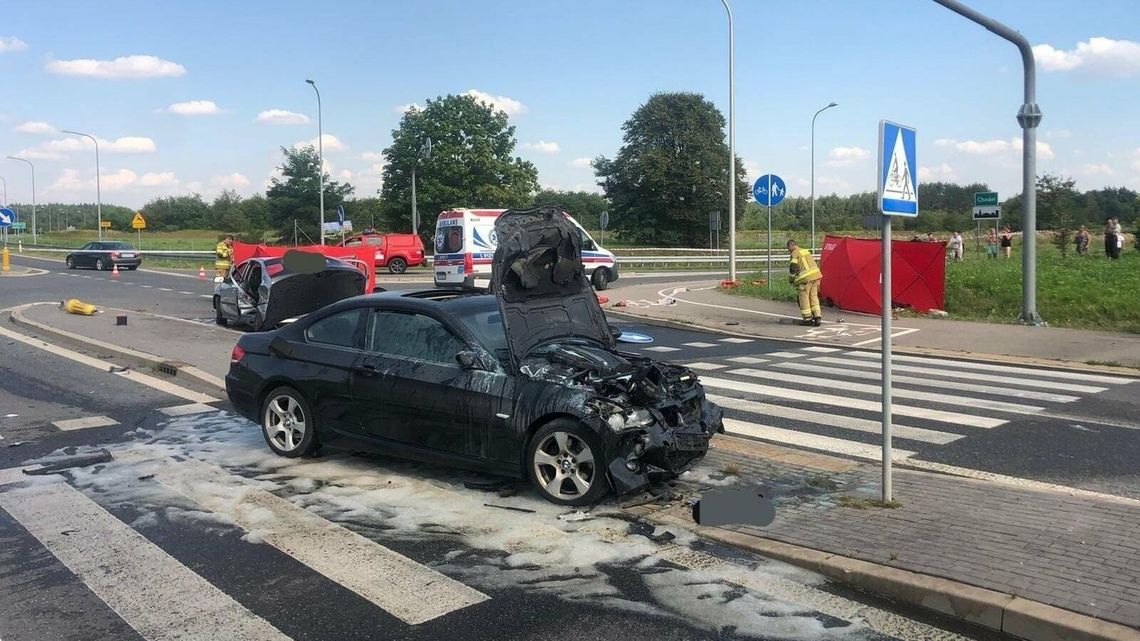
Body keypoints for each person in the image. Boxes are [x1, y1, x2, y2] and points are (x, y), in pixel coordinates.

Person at [787, 239, 823, 326]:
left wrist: (791, 279)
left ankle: (807, 319)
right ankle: (817, 317)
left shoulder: (794, 253)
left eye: (788, 248)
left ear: (791, 246)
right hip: (815, 277)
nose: (788, 251)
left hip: (805, 279)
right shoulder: (805, 251)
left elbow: (793, 268)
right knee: (813, 297)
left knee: (804, 298)